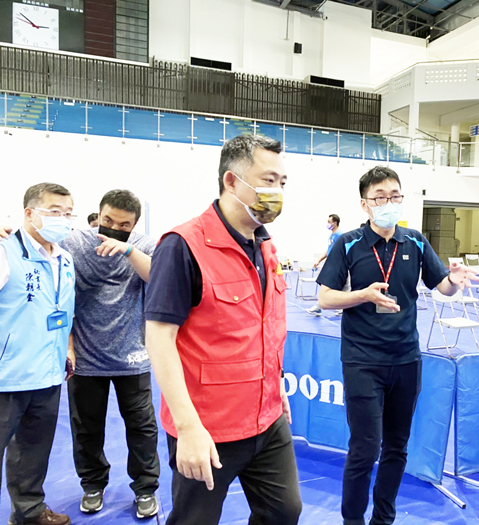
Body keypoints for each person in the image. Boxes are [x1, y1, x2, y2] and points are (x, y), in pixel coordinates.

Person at [144, 135, 302, 525]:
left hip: (266, 419)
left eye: (283, 182)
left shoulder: (265, 247)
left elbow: (263, 328)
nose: (277, 191)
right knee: (194, 520)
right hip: (206, 427)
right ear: (231, 181)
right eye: (268, 180)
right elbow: (159, 338)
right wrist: (187, 427)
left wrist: (276, 383)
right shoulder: (183, 246)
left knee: (284, 512)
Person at [315, 166, 478, 525]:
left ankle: (382, 519)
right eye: (380, 197)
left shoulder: (416, 241)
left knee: (396, 448)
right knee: (364, 447)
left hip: (406, 359)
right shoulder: (348, 243)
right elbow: (325, 298)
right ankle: (353, 521)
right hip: (362, 361)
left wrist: (454, 280)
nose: (388, 203)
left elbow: (443, 288)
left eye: (395, 196)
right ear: (365, 204)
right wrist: (362, 295)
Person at [61, 190, 160, 518]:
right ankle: (92, 485)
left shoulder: (143, 245)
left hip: (132, 356)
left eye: (123, 225)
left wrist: (128, 249)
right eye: (107, 222)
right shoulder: (76, 244)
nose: (112, 229)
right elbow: (43, 255)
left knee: (142, 426)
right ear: (98, 215)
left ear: (134, 225)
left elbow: (157, 278)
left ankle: (145, 489)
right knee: (86, 428)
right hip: (86, 359)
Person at [0, 183, 76, 525]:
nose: (63, 219)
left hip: (48, 373)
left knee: (33, 451)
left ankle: (29, 512)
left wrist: (67, 350)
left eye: (68, 213)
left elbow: (64, 310)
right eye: (54, 212)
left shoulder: (65, 258)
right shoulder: (4, 251)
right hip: (6, 375)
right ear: (30, 213)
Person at [307, 214, 342, 316]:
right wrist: (320, 260)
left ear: (335, 223)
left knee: (326, 284)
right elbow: (329, 249)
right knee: (335, 286)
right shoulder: (332, 235)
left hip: (336, 264)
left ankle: (318, 307)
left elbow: (340, 250)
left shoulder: (339, 235)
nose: (327, 224)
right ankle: (341, 308)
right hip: (331, 263)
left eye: (329, 222)